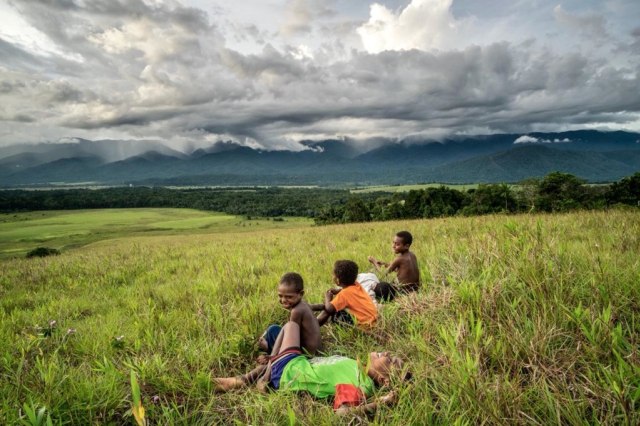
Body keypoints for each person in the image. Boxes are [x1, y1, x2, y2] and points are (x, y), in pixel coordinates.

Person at [214, 321, 407, 415]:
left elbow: (342, 414)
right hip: (295, 364)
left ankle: (255, 377)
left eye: (391, 362)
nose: (389, 354)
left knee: (290, 325)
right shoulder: (358, 369)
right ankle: (252, 376)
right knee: (278, 330)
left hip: (290, 371)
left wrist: (380, 403)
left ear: (383, 380)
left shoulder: (360, 383)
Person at [258, 272, 321, 357]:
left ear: (301, 294)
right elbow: (317, 306)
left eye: (289, 297)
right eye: (280, 296)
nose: (283, 300)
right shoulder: (303, 304)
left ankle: (270, 351)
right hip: (314, 349)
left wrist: (272, 354)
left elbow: (291, 338)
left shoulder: (296, 312)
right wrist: (327, 306)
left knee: (273, 331)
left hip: (305, 355)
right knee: (273, 329)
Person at [312, 260, 378, 327]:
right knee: (335, 305)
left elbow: (329, 308)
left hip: (364, 325)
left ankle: (313, 326)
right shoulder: (356, 284)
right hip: (373, 319)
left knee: (332, 311)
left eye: (333, 275)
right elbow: (349, 290)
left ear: (337, 280)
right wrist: (338, 291)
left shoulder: (344, 294)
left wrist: (327, 297)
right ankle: (312, 311)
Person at [368, 231, 420, 301]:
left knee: (378, 285)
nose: (393, 246)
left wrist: (374, 262)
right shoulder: (412, 255)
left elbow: (383, 273)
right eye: (393, 242)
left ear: (406, 246)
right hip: (415, 290)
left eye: (397, 244)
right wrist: (384, 264)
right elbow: (400, 269)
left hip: (403, 292)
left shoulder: (399, 259)